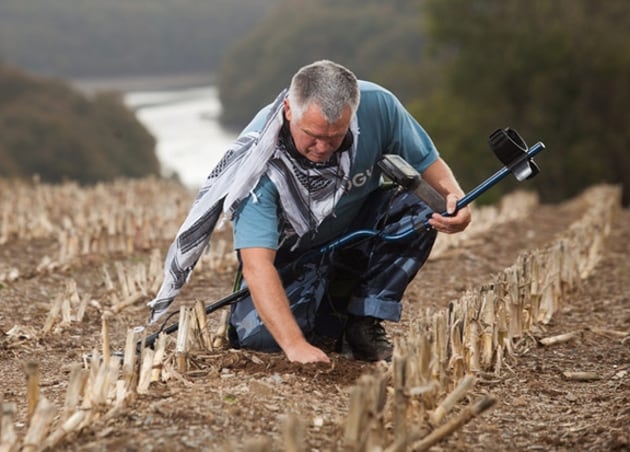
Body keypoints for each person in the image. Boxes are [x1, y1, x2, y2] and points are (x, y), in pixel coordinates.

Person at [147, 60, 471, 364]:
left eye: (335, 138)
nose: (322, 148)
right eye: (313, 136)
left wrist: (456, 198)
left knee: (424, 204)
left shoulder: (379, 105)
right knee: (263, 342)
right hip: (292, 252)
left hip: (355, 227)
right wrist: (295, 345)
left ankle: (363, 319)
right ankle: (326, 307)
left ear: (353, 114)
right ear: (289, 110)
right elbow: (257, 265)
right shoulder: (258, 167)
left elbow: (428, 163)